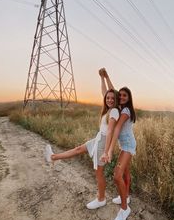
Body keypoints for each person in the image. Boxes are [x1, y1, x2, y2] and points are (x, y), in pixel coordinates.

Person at [44, 70, 120, 210]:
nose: (109, 99)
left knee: (98, 173)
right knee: (78, 149)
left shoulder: (114, 111)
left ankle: (101, 199)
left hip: (102, 144)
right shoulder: (109, 107)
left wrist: (107, 151)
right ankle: (53, 157)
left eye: (112, 98)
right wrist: (103, 77)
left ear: (116, 100)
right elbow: (106, 92)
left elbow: (110, 131)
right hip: (98, 139)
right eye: (107, 98)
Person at [101, 83, 136, 220]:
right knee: (126, 174)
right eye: (119, 95)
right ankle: (126, 196)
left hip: (128, 146)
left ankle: (124, 208)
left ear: (128, 98)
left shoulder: (126, 110)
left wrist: (109, 150)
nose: (121, 97)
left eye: (124, 95)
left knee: (117, 176)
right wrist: (106, 76)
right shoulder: (120, 107)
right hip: (125, 145)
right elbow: (110, 90)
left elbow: (117, 129)